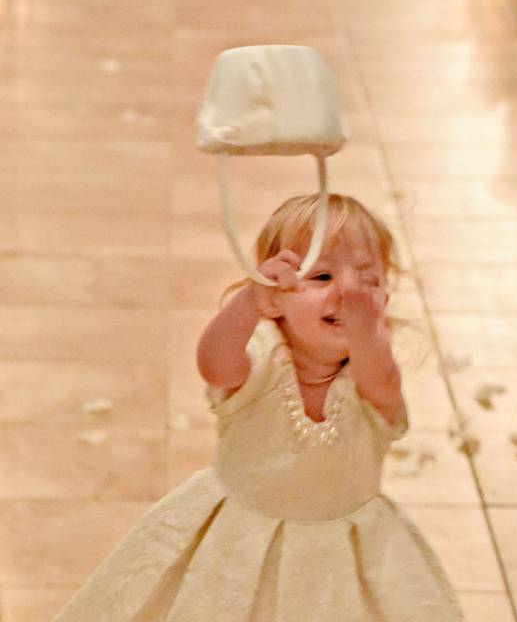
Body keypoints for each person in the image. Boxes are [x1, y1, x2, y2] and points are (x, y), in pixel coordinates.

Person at [54, 193, 464, 621]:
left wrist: (367, 334)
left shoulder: (371, 378)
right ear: (276, 299)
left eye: (368, 281)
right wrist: (248, 302)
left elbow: (383, 380)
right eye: (321, 276)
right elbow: (214, 366)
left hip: (345, 559)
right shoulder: (260, 361)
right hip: (235, 549)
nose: (347, 291)